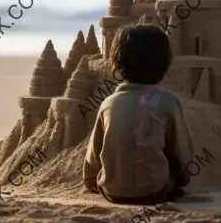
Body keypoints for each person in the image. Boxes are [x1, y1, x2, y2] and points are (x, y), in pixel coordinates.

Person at [83, 24, 194, 204]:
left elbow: (92, 161)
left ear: (118, 63)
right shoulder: (168, 101)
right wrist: (182, 178)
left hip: (110, 192)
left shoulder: (108, 103)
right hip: (154, 192)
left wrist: (92, 181)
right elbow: (182, 152)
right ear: (164, 65)